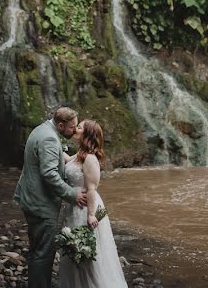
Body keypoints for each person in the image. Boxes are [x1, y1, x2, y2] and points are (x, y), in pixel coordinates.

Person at [14, 107, 88, 288]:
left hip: (30, 198)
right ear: (61, 125)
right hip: (40, 204)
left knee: (37, 248)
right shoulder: (49, 138)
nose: (74, 130)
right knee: (44, 252)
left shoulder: (42, 129)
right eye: (72, 127)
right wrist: (72, 194)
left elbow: (49, 159)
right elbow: (49, 174)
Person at [58, 119, 128, 288]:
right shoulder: (79, 154)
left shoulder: (90, 158)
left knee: (86, 252)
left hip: (85, 208)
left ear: (86, 134)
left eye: (79, 127)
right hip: (74, 206)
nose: (75, 128)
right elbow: (68, 162)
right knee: (74, 250)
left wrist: (90, 215)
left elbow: (91, 189)